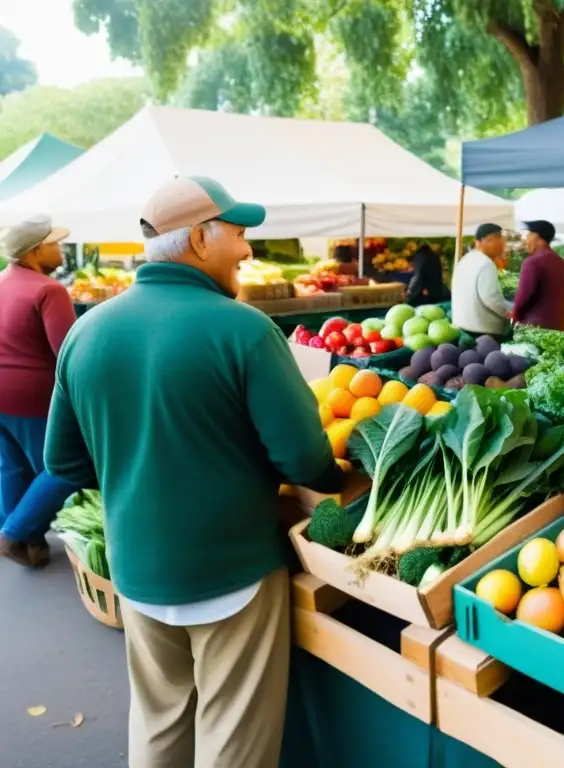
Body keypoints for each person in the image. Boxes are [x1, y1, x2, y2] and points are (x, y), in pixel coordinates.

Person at [44, 176, 347, 768]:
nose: (247, 249)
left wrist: (141, 469)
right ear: (200, 242)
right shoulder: (246, 330)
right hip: (233, 570)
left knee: (158, 720)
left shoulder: (87, 332)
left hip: (136, 568)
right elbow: (308, 463)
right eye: (238, 233)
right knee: (233, 734)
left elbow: (65, 462)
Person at [0, 216, 78, 567]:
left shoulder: (2, 281)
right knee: (67, 465)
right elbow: (69, 351)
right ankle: (14, 534)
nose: (60, 249)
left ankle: (28, 544)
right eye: (54, 243)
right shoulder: (49, 290)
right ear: (35, 251)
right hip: (33, 397)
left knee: (12, 467)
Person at [451, 223, 511, 337]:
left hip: (463, 327)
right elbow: (492, 300)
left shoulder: (466, 259)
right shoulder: (485, 263)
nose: (502, 247)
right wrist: (514, 313)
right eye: (500, 242)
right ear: (485, 241)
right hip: (483, 331)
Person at [512, 220, 564, 331]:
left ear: (537, 237)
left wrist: (514, 317)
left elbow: (523, 296)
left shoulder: (533, 262)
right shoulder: (563, 264)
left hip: (534, 328)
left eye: (529, 236)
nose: (527, 241)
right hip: (558, 326)